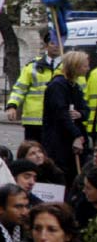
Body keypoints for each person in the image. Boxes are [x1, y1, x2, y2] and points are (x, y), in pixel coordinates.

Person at [6, 27, 63, 143]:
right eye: (53, 43)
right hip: (34, 120)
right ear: (46, 46)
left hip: (59, 119)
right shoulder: (32, 66)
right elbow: (19, 89)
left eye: (59, 43)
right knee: (33, 153)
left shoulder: (69, 66)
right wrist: (12, 106)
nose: (56, 46)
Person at [43, 50, 90, 181]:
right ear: (76, 66)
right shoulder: (57, 86)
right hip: (59, 140)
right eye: (85, 66)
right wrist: (76, 135)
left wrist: (80, 114)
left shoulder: (75, 86)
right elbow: (61, 114)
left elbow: (85, 109)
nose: (88, 69)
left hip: (71, 136)